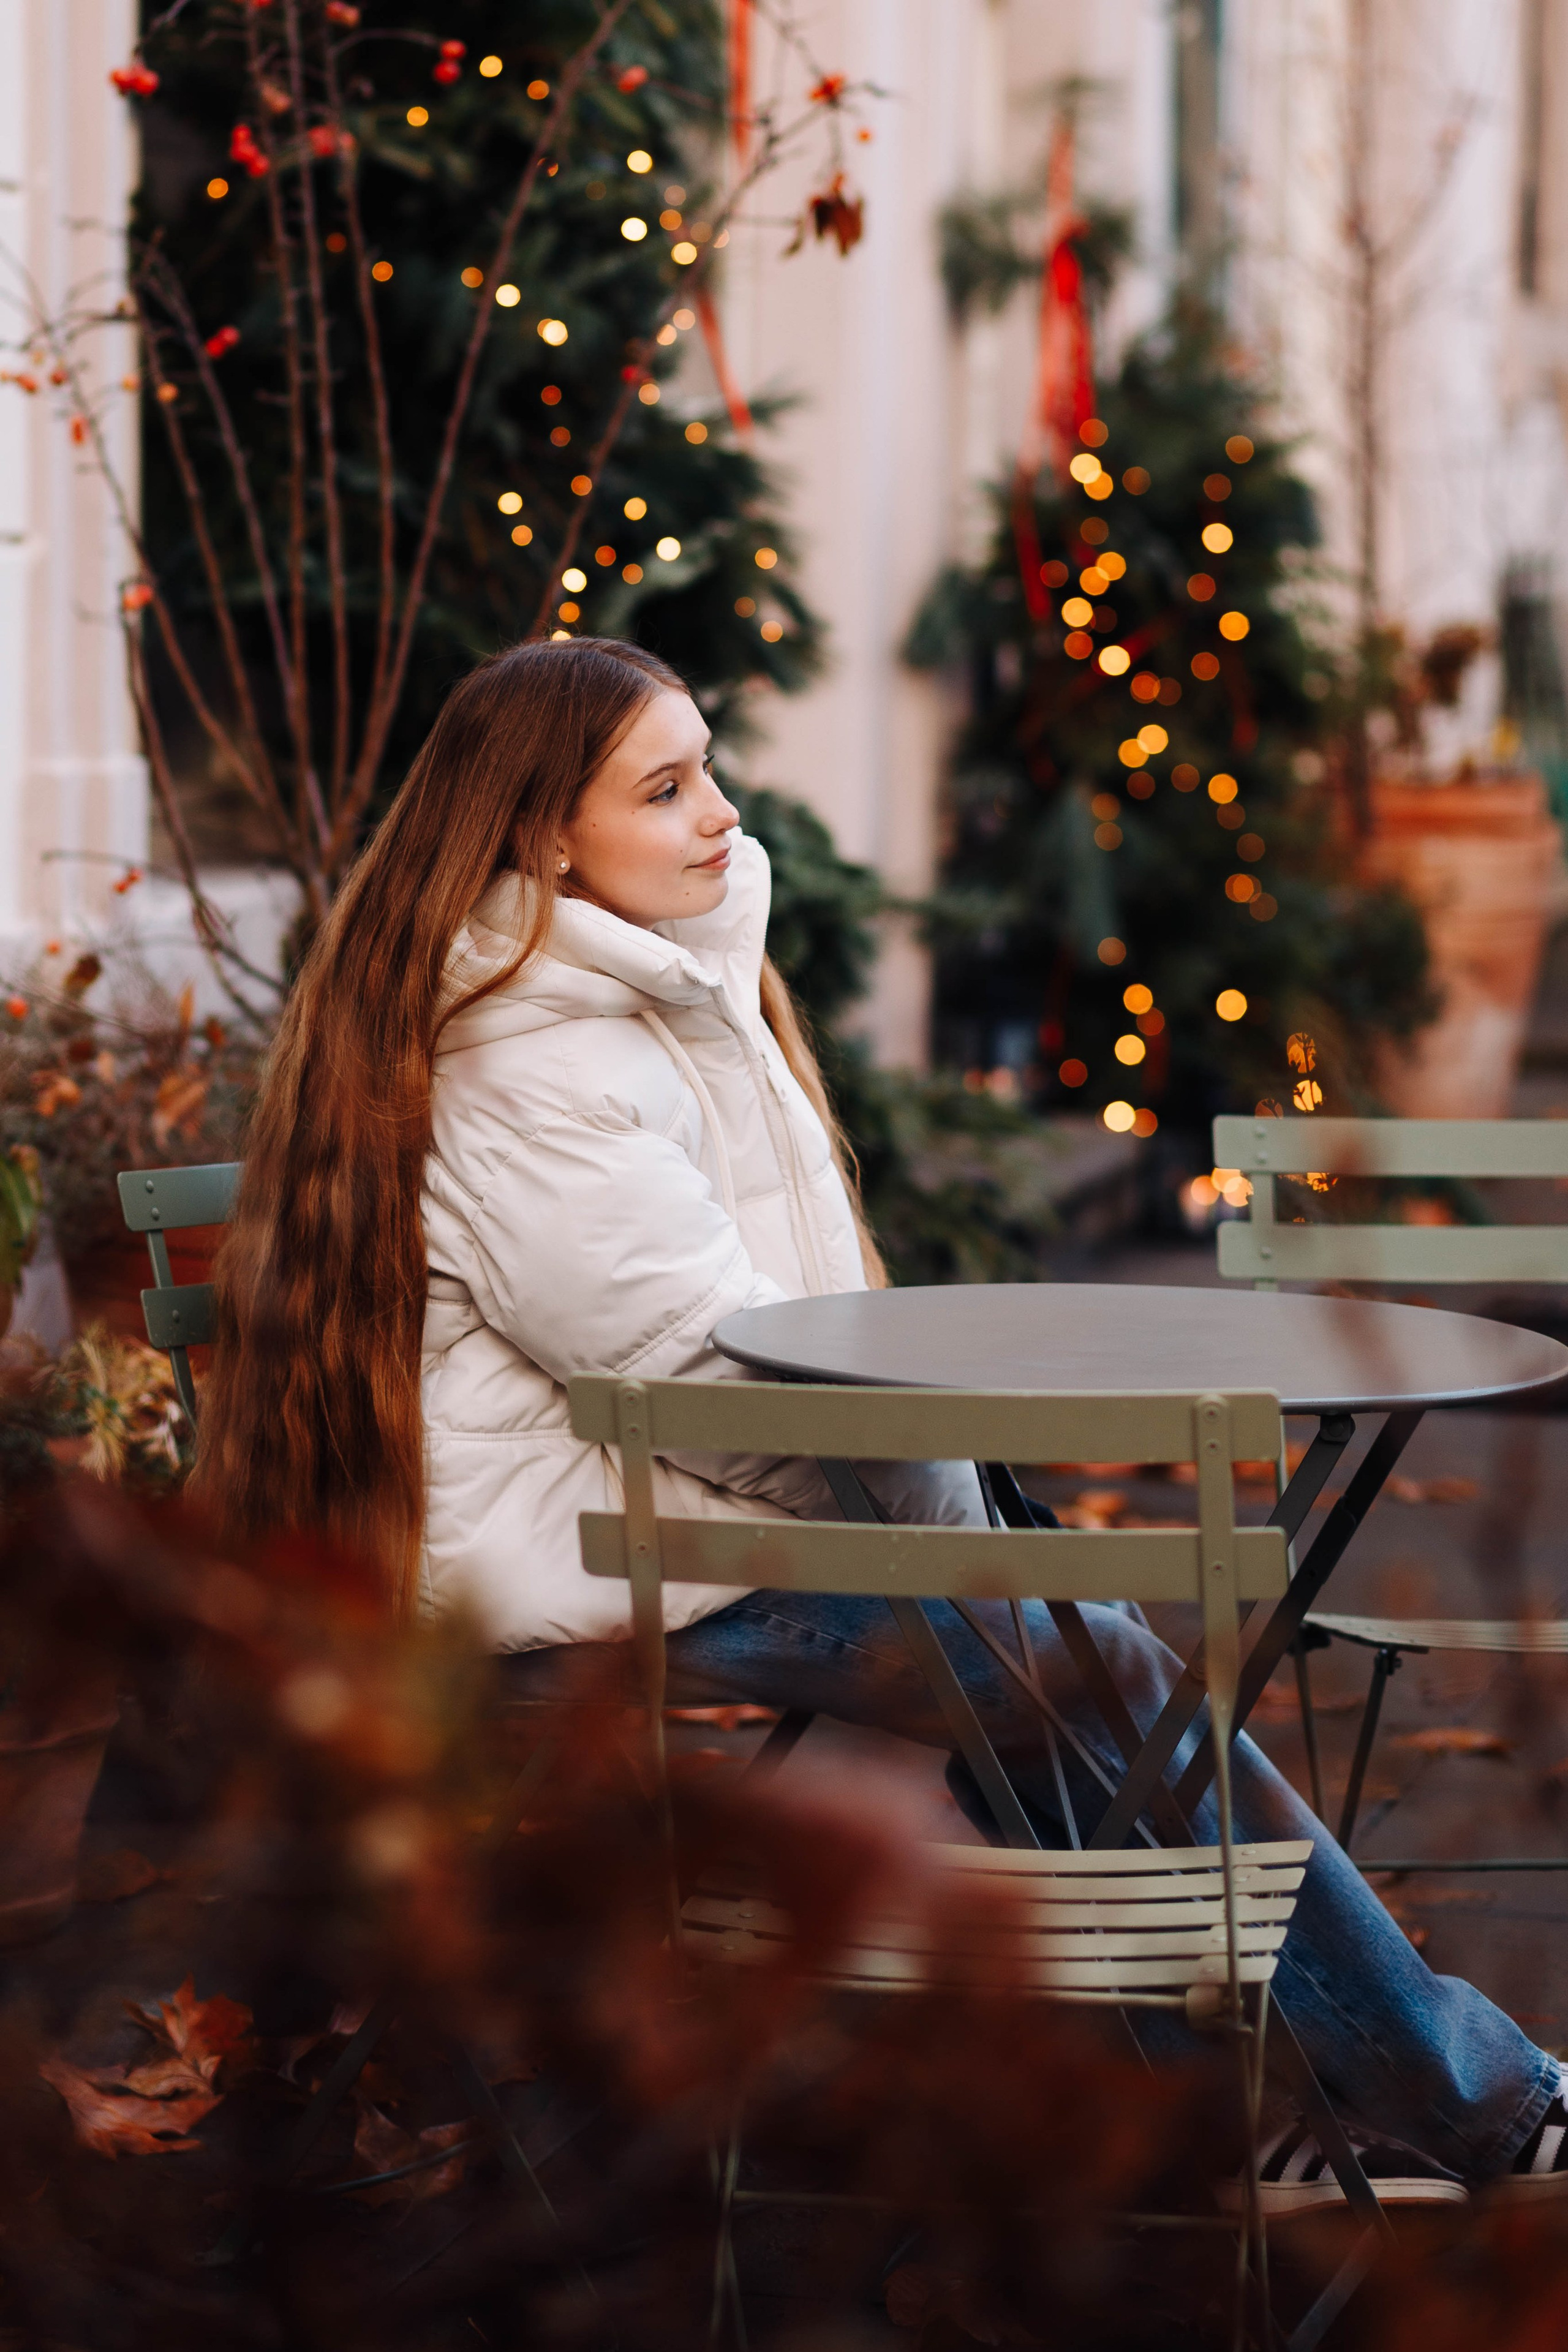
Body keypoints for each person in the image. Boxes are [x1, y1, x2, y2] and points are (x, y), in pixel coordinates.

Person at [199, 636, 1567, 2211]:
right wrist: (944, 1524)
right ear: (541, 840)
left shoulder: (652, 992)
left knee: (1070, 1658)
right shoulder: (537, 1064)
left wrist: (959, 1519)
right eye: (664, 789)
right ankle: (1470, 2104)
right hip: (583, 1561)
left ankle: (1214, 2106)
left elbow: (762, 1342)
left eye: (708, 767)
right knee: (1083, 1669)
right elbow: (699, 1385)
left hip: (664, 1517)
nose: (721, 814)